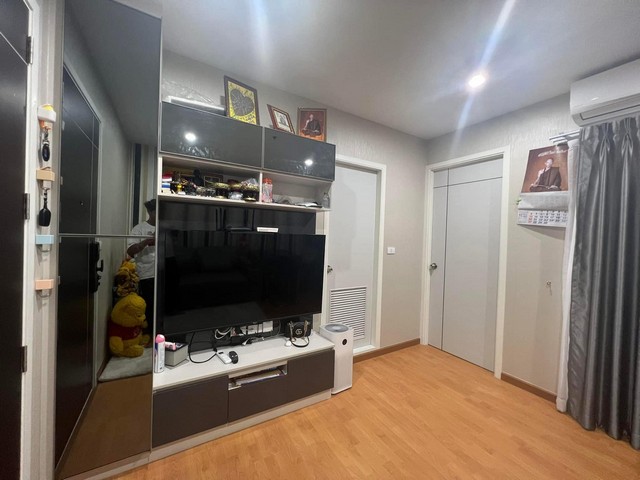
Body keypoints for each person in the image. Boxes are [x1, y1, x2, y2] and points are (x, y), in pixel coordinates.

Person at [127, 199, 156, 327]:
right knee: (149, 306)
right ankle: (150, 332)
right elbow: (130, 251)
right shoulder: (139, 229)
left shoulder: (166, 227)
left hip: (165, 271)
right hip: (147, 274)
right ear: (149, 212)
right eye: (156, 211)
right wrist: (146, 242)